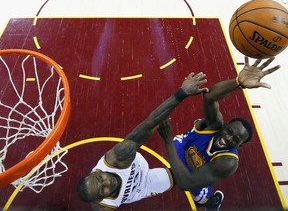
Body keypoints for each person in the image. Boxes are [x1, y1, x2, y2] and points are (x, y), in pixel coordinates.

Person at [157, 56, 280, 210]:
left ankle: (212, 205)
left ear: (239, 146)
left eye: (235, 139)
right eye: (229, 131)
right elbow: (209, 96)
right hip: (183, 147)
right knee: (166, 164)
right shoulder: (216, 124)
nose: (227, 138)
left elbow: (186, 183)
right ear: (225, 125)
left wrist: (167, 139)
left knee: (200, 200)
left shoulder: (228, 162)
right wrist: (238, 83)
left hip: (196, 175)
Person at [76, 71, 209, 210]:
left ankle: (202, 129)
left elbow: (150, 123)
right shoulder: (103, 207)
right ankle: (204, 201)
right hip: (143, 186)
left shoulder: (118, 157)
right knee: (181, 177)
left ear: (96, 172)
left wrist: (182, 93)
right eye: (103, 190)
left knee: (184, 174)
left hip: (134, 165)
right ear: (99, 199)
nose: (108, 183)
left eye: (101, 179)